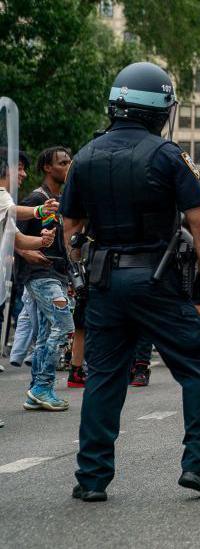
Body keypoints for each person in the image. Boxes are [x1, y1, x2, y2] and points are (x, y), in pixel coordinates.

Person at [60, 61, 200, 501]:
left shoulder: (84, 156)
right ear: (160, 110)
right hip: (156, 280)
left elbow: (71, 227)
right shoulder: (168, 155)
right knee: (194, 365)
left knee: (102, 378)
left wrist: (85, 270)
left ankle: (91, 478)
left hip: (104, 282)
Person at [0, 149, 58, 428]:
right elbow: (15, 211)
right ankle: (41, 387)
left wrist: (43, 241)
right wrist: (39, 210)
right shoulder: (3, 196)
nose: (23, 174)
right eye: (18, 168)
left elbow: (20, 239)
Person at [17, 146, 75, 412]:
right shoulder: (34, 199)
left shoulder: (60, 200)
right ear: (47, 168)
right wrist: (27, 252)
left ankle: (37, 392)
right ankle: (42, 386)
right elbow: (11, 235)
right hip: (41, 275)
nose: (68, 165)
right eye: (62, 162)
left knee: (44, 334)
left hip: (58, 274)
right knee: (63, 326)